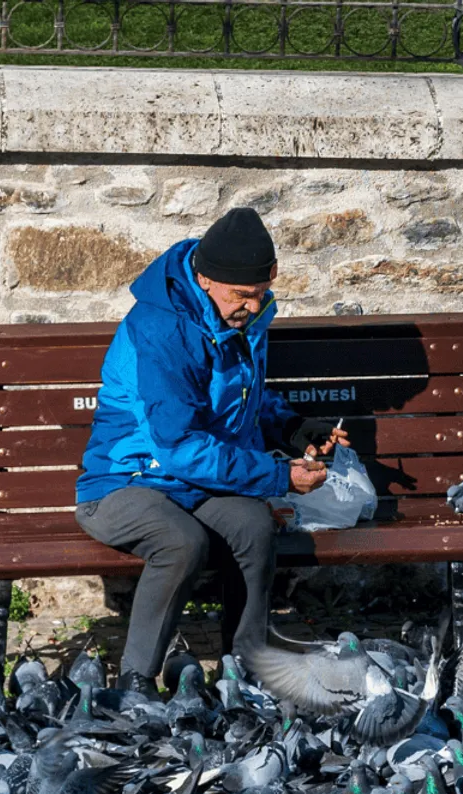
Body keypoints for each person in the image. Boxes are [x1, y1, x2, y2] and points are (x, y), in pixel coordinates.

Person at [76, 208, 346, 697]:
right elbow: (178, 445)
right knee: (181, 542)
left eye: (260, 293)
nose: (251, 305)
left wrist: (293, 428)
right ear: (203, 278)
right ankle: (137, 681)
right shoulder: (161, 329)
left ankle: (242, 670)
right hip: (125, 480)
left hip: (193, 481)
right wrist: (280, 477)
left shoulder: (243, 314)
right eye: (241, 296)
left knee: (253, 526)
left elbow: (240, 397)